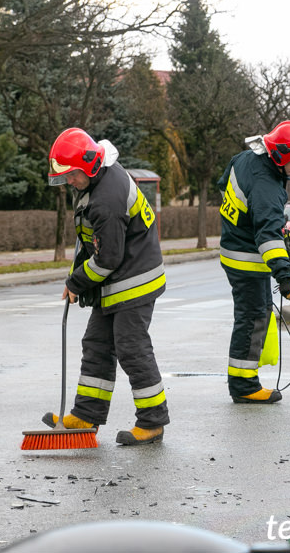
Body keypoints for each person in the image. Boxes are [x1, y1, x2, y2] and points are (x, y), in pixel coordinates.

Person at [41, 128, 169, 445]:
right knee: (97, 344)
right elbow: (89, 242)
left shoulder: (106, 201)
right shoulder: (96, 180)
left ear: (88, 166)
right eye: (65, 176)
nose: (69, 181)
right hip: (118, 278)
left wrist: (78, 281)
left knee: (131, 347)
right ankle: (86, 415)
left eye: (72, 175)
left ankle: (152, 423)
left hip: (135, 279)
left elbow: (108, 258)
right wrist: (76, 280)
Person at [216, 120, 290, 404]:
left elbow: (225, 188)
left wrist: (262, 222)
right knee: (252, 319)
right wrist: (285, 277)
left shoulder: (246, 159)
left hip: (234, 248)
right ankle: (244, 386)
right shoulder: (267, 185)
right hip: (246, 258)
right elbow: (268, 236)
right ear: (282, 156)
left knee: (253, 316)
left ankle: (244, 381)